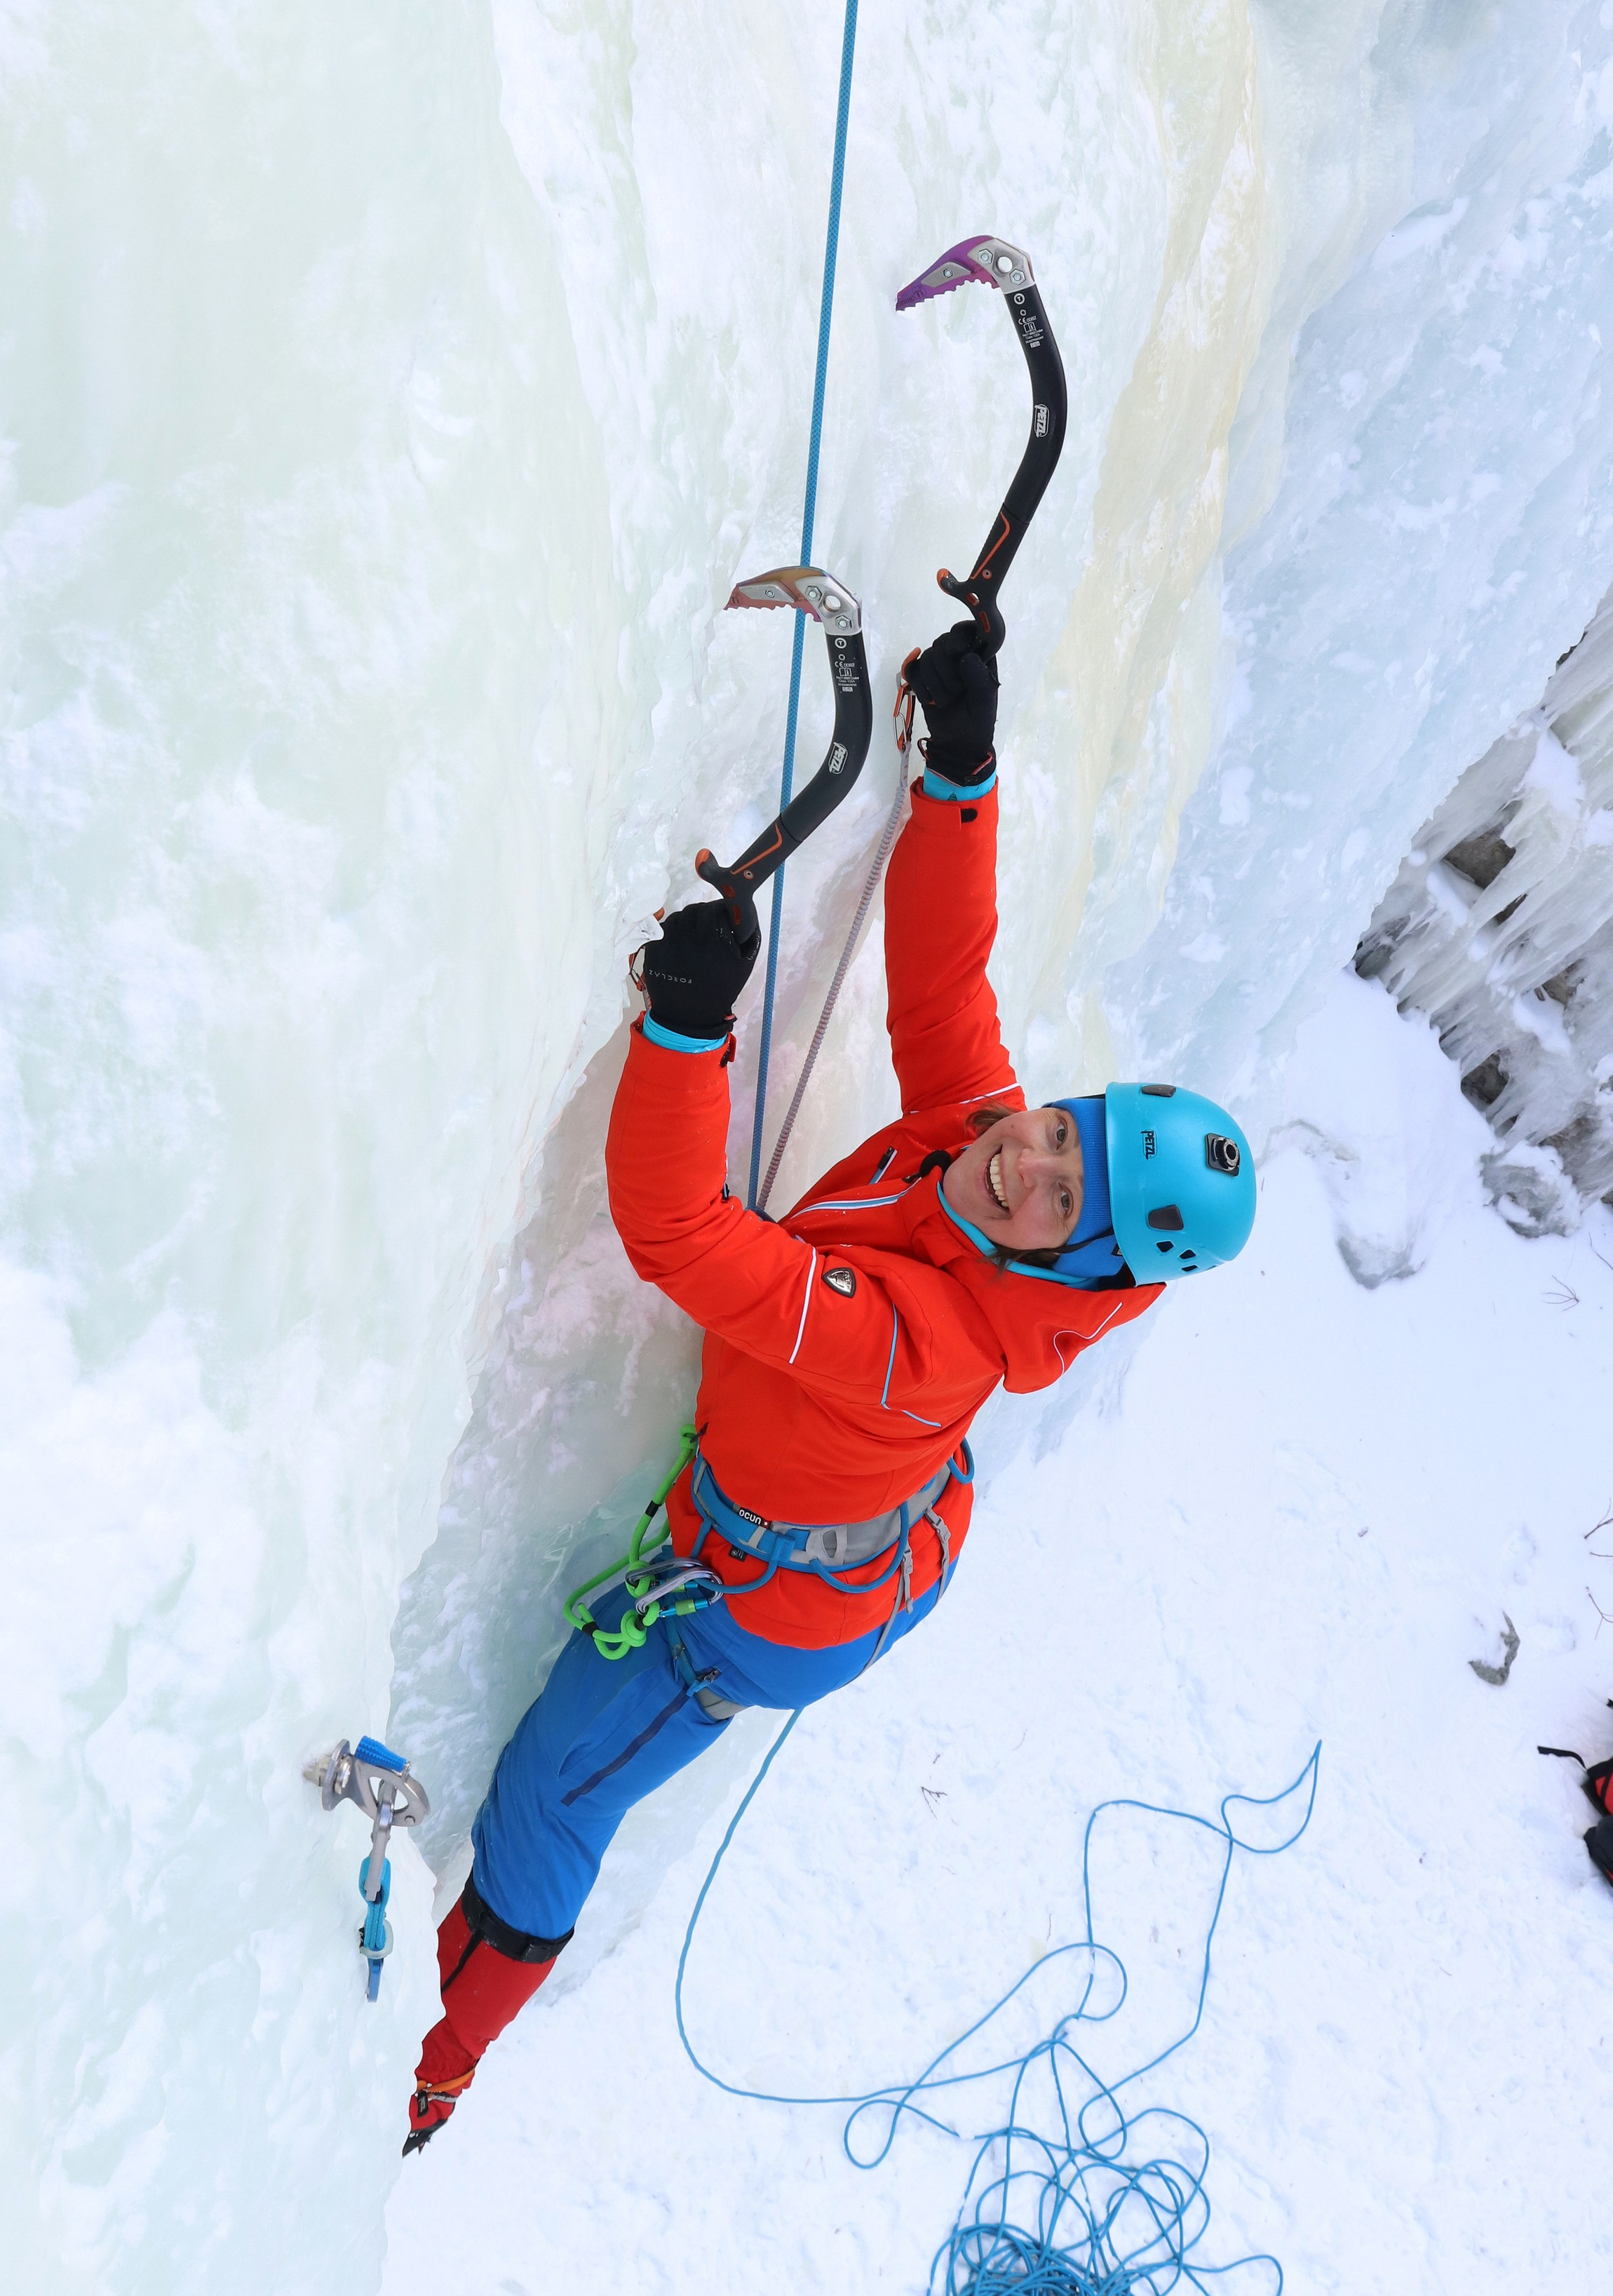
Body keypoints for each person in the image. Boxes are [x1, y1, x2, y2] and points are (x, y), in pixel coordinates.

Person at [404, 617, 1257, 2152]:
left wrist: (683, 1027)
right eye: (1064, 1126)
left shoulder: (920, 1340)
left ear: (1091, 1266)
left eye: (1067, 1189)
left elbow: (679, 1234)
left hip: (761, 1602)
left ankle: (435, 2067)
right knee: (960, 1069)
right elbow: (941, 993)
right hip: (875, 1517)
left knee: (552, 1789)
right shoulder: (982, 1152)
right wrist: (961, 770)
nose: (1028, 1156)